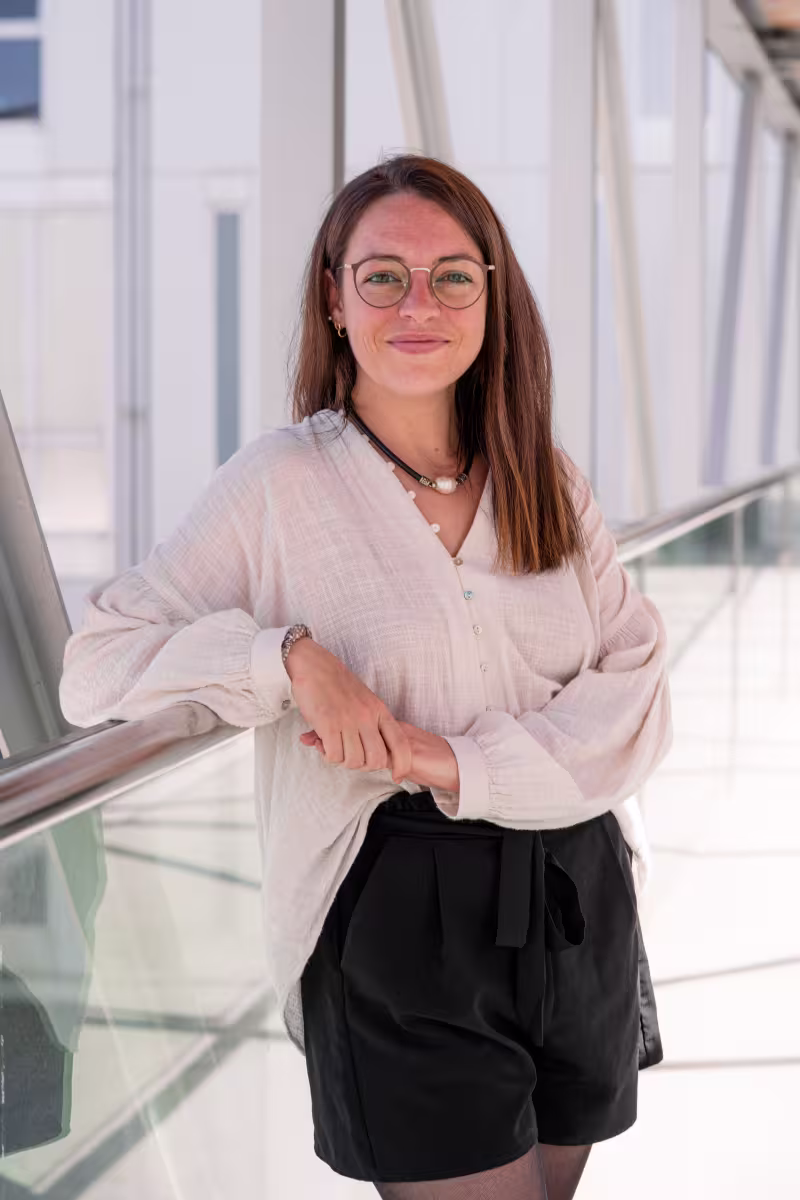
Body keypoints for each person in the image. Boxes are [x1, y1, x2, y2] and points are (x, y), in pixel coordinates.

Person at [59, 153, 672, 1199]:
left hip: (577, 896)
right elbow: (97, 664)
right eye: (380, 275)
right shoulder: (280, 482)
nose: (416, 304)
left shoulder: (544, 479)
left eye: (450, 277)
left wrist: (453, 758)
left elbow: (636, 686)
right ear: (334, 302)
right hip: (396, 913)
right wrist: (288, 659)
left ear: (492, 295)